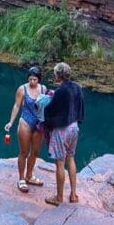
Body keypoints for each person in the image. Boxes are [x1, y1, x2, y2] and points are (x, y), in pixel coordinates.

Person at [43, 61, 84, 206]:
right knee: (71, 158)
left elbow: (51, 110)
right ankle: (73, 194)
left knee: (60, 163)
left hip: (62, 130)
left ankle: (59, 197)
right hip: (74, 127)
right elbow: (80, 106)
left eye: (55, 73)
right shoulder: (77, 87)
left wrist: (45, 121)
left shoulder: (60, 91)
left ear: (58, 75)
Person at [3, 66, 47, 193]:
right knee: (24, 152)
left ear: (39, 79)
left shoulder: (43, 89)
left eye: (35, 79)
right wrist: (11, 122)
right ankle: (21, 179)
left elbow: (47, 105)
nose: (33, 82)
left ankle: (29, 175)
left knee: (35, 152)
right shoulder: (22, 89)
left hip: (38, 123)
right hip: (25, 121)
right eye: (31, 79)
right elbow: (17, 105)